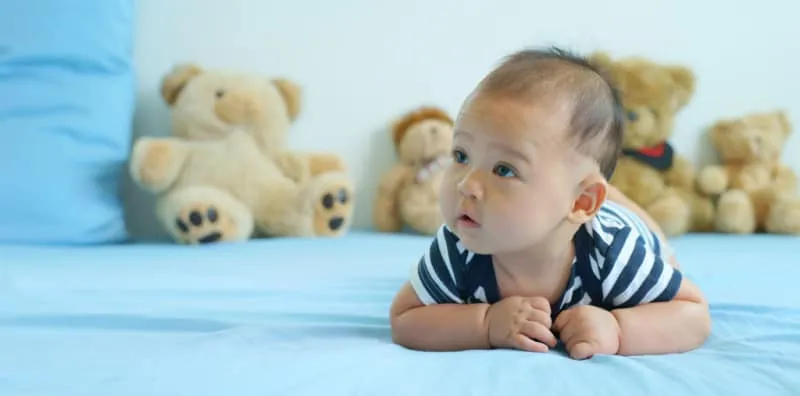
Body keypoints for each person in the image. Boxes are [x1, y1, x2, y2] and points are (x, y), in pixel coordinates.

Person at [388, 47, 710, 360]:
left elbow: (694, 314)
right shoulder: (460, 244)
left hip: (624, 228)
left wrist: (618, 329)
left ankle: (615, 198)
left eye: (504, 169)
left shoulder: (613, 254)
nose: (466, 184)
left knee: (660, 246)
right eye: (461, 155)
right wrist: (484, 323)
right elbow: (405, 318)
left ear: (582, 201)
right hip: (578, 207)